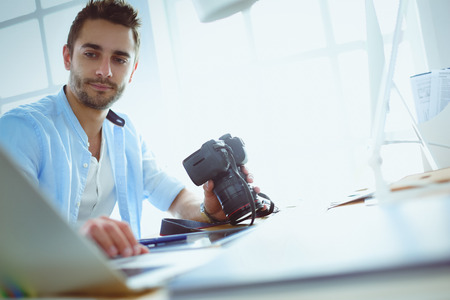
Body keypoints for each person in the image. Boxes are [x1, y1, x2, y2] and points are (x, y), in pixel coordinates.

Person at [0, 0, 259, 258]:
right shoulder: (20, 129)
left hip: (110, 283)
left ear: (133, 70)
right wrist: (77, 238)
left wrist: (208, 210)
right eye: (91, 54)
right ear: (68, 57)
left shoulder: (125, 132)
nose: (105, 71)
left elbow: (173, 197)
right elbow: (8, 232)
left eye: (119, 59)